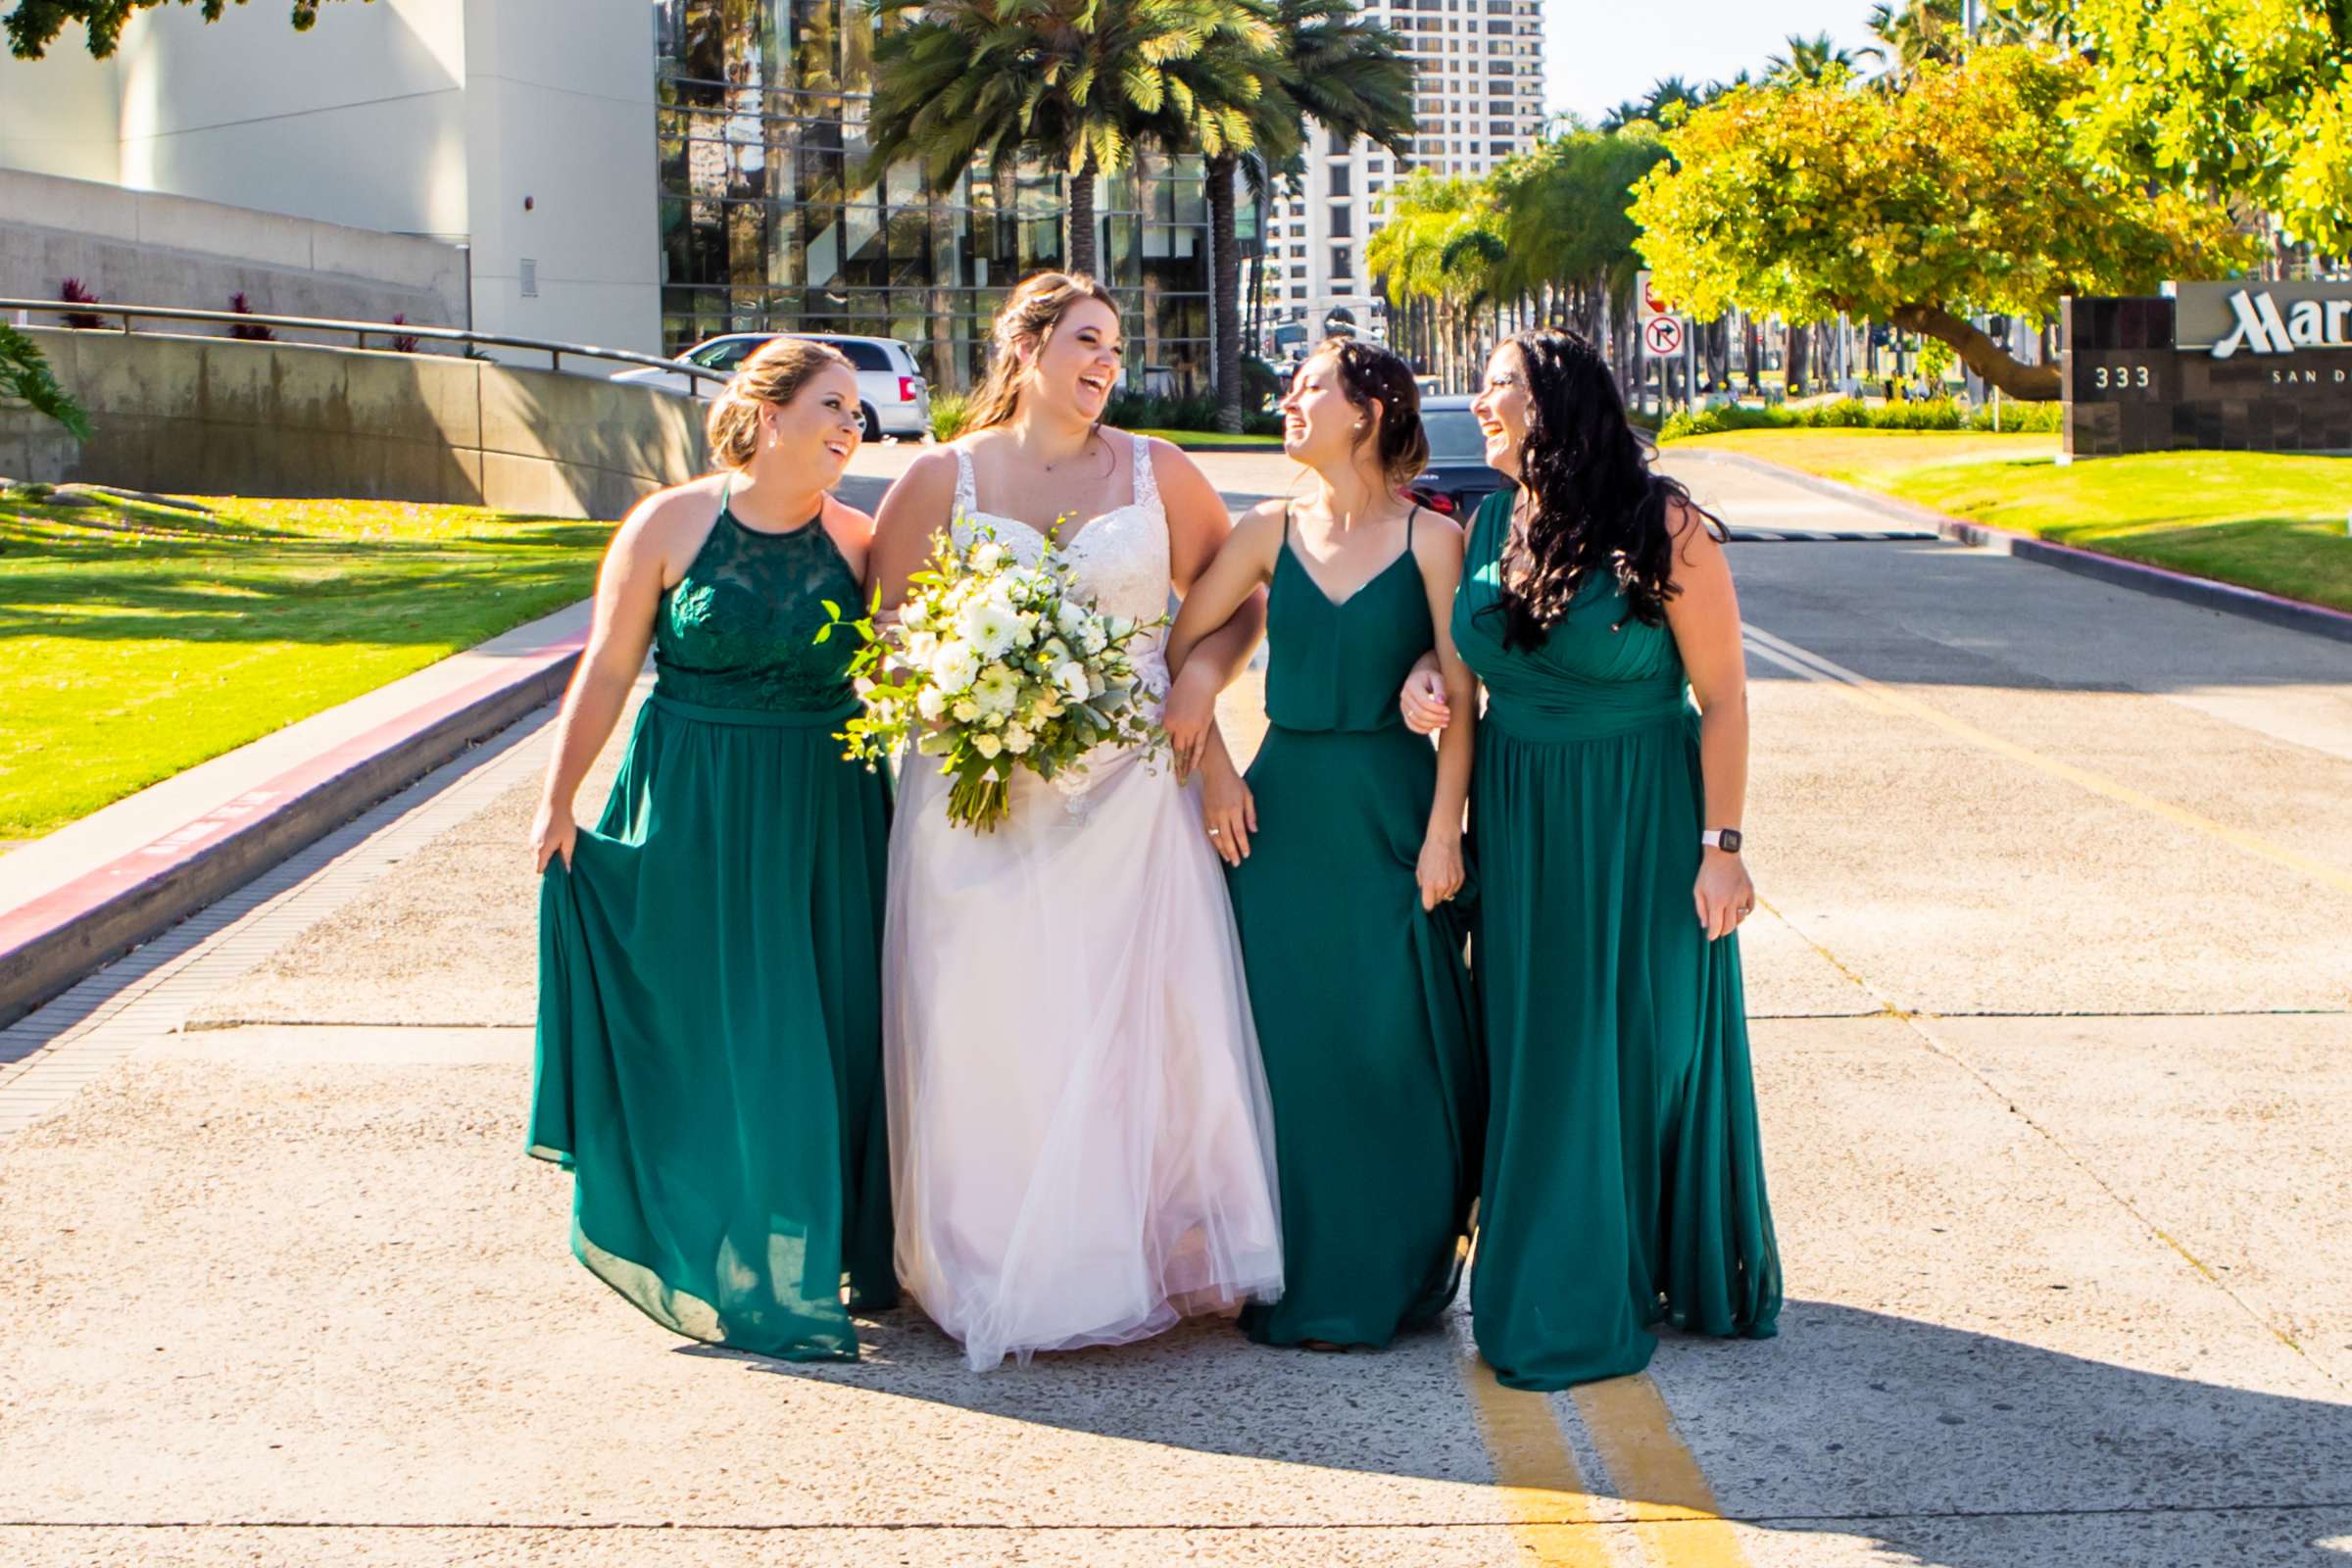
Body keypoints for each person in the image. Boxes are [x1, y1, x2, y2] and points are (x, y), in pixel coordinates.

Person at [868, 272, 1284, 1371]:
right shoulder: (939, 477)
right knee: (991, 1022)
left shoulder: (1160, 471)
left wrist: (1200, 685)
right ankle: (994, 1264)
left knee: (1136, 1023)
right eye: (1088, 341)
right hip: (984, 799)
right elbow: (894, 636)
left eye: (1116, 346)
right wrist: (961, 692)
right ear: (1027, 344)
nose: (1108, 362)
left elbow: (1242, 596)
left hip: (1135, 788)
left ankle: (1130, 1253)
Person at [1400, 328, 1782, 1391]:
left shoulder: (1666, 526)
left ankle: (1652, 1257)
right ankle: (1559, 1268)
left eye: (1499, 389)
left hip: (1643, 816)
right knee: (1545, 1046)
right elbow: (1469, 663)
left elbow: (1727, 697)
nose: (1480, 406)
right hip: (1521, 820)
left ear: (1557, 405)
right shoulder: (1486, 518)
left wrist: (1724, 849)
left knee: (1642, 1045)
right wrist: (1424, 684)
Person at [527, 338, 895, 1361]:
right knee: (719, 1030)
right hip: (694, 801)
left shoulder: (863, 542)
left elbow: (912, 668)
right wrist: (561, 799)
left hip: (825, 812)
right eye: (832, 405)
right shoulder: (671, 522)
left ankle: (815, 1260)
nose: (850, 427)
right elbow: (605, 669)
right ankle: (734, 1255)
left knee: (814, 1037)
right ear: (767, 414)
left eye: (858, 413)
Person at [1164, 339, 1482, 1351]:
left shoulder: (1435, 539)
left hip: (1392, 818)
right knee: (1291, 1051)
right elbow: (1180, 653)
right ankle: (1291, 1266)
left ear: (1370, 411)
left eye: (1310, 389)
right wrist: (1213, 761)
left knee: (1391, 1046)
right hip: (1282, 815)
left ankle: (1392, 1267)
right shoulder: (1265, 530)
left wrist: (1444, 833)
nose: (1287, 402)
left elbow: (1461, 690)